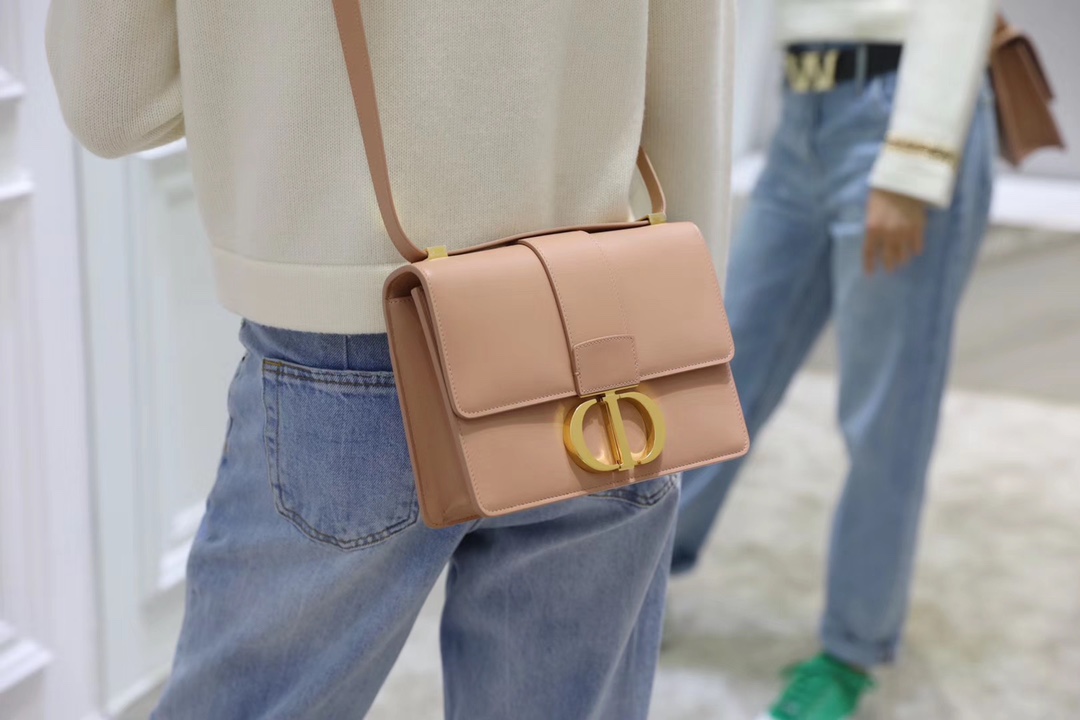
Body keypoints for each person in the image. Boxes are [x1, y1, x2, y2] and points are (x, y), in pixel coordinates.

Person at [46, 0, 737, 717]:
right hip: (607, 348)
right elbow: (689, 64)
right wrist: (685, 322)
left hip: (347, 338)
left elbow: (113, 104)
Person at [673, 1, 998, 719]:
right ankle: (650, 573)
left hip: (896, 108)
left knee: (885, 409)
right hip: (802, 113)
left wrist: (915, 159)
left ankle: (853, 647)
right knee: (725, 368)